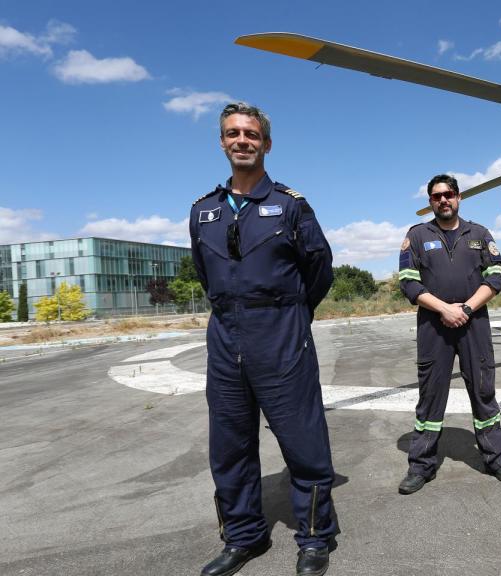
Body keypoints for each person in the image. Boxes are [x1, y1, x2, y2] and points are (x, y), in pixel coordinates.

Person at [190, 102, 336, 576]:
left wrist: (291, 314)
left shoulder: (292, 205)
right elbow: (205, 274)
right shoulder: (203, 212)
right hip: (225, 337)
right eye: (233, 133)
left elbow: (319, 269)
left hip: (281, 335)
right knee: (229, 446)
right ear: (222, 142)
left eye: (251, 134)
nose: (242, 141)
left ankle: (315, 535)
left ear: (266, 144)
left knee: (302, 442)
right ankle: (243, 536)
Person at [396, 174, 501, 495]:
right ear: (430, 202)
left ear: (459, 197)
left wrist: (465, 309)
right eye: (436, 197)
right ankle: (421, 465)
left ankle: (497, 458)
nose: (443, 200)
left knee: (482, 388)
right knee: (430, 394)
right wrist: (444, 309)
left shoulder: (478, 233)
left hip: (474, 322)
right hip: (433, 325)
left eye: (448, 194)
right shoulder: (417, 235)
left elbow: (495, 277)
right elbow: (409, 282)